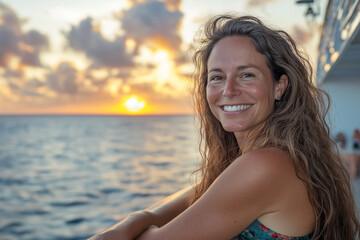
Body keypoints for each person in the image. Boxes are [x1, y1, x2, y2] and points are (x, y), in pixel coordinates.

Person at [90, 15, 360, 240]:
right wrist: (139, 218)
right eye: (217, 77)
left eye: (246, 75)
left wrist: (134, 226)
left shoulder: (264, 165)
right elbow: (195, 196)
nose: (229, 90)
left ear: (280, 86)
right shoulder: (271, 158)